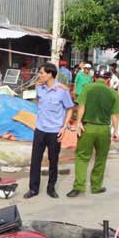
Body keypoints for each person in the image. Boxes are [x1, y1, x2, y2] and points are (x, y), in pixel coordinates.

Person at [67, 71, 119, 198]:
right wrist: (116, 132)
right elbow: (115, 115)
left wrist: (78, 122)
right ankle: (96, 187)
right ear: (108, 79)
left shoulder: (88, 88)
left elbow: (81, 106)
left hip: (88, 128)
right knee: (101, 158)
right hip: (104, 130)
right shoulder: (113, 93)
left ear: (95, 78)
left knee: (82, 157)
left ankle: (78, 187)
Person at [24, 63, 74, 199]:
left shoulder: (62, 91)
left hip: (54, 132)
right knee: (35, 161)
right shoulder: (39, 88)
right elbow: (39, 100)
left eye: (42, 73)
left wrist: (64, 127)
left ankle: (51, 188)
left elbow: (70, 108)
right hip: (40, 129)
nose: (40, 75)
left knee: (53, 160)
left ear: (50, 74)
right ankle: (33, 189)